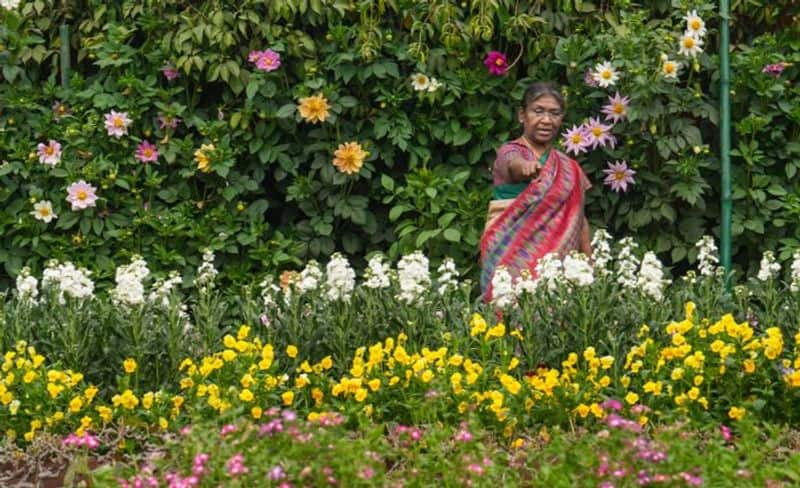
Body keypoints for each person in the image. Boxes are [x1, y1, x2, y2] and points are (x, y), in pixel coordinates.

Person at [480, 81, 592, 299]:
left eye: (554, 113)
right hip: (507, 254)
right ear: (522, 115)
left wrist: (588, 262)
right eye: (538, 111)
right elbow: (515, 165)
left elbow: (578, 217)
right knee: (506, 314)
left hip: (555, 264)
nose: (546, 120)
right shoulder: (509, 152)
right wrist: (527, 167)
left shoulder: (569, 167)